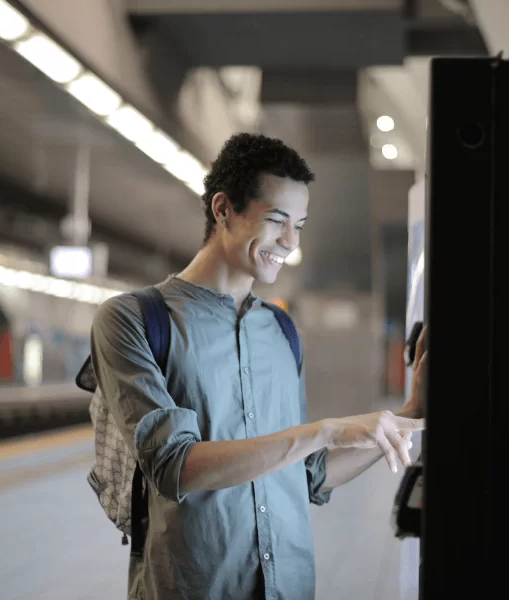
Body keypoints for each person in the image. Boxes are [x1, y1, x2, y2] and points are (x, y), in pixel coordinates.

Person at [90, 133, 428, 600]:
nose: (290, 241)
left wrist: (409, 412)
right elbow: (175, 466)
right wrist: (325, 430)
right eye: (276, 220)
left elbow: (309, 475)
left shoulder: (282, 332)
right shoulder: (134, 319)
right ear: (223, 209)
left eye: (300, 225)